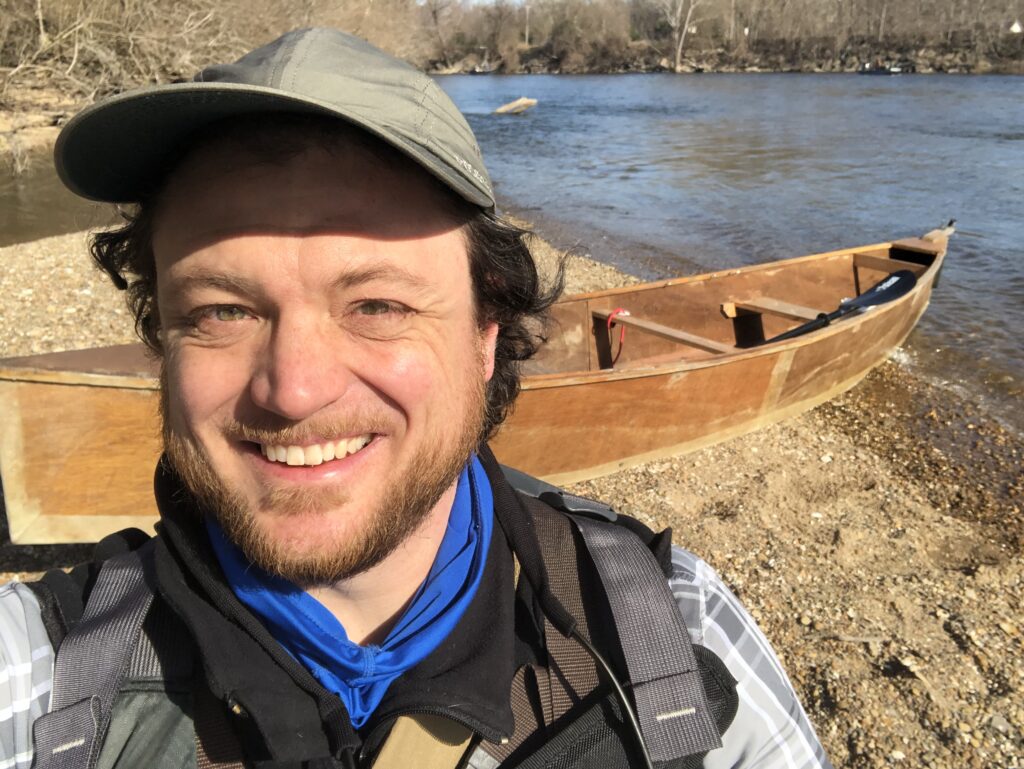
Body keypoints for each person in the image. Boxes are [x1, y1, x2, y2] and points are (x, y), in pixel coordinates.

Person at [0, 28, 832, 769]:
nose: (295, 389)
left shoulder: (674, 634)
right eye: (222, 311)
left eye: (377, 305)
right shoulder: (39, 674)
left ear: (486, 334)